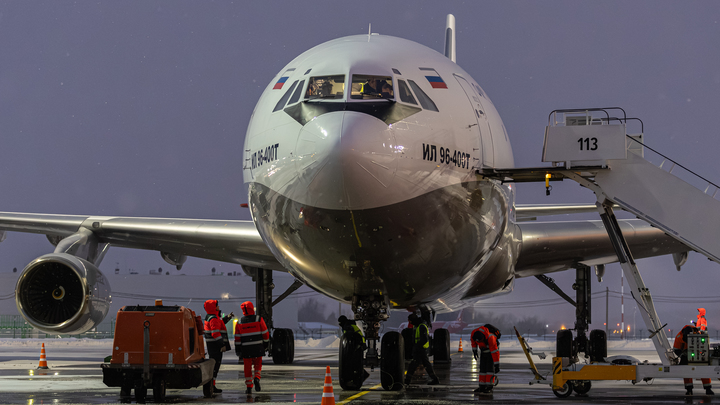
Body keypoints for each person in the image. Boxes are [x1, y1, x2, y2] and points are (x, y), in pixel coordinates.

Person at [235, 301, 270, 395]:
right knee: (258, 365)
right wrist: (266, 344)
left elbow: (237, 338)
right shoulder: (258, 319)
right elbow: (265, 333)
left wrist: (238, 349)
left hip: (246, 349)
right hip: (258, 347)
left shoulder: (239, 322)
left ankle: (249, 387)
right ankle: (257, 378)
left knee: (247, 367)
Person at [673, 324, 713, 396]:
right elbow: (676, 349)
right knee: (686, 370)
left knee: (703, 369)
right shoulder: (679, 337)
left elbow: (703, 345)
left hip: (698, 353)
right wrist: (683, 355)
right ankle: (689, 389)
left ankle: (708, 388)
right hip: (685, 355)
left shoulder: (698, 334)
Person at [203, 299, 233, 395]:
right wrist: (222, 345)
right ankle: (211, 386)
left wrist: (227, 318)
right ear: (213, 307)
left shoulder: (212, 317)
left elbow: (220, 324)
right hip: (215, 346)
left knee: (214, 366)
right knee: (215, 366)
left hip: (213, 346)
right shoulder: (213, 318)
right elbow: (215, 333)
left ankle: (212, 385)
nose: (218, 307)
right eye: (217, 305)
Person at [404, 313, 439, 386]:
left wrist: (417, 346)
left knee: (413, 365)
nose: (410, 323)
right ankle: (434, 379)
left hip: (421, 349)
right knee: (425, 365)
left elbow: (424, 339)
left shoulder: (421, 326)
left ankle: (407, 380)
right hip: (420, 349)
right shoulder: (417, 326)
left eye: (410, 321)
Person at [338, 315, 370, 384]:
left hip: (357, 345)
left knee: (353, 361)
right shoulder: (350, 324)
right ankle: (362, 374)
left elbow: (351, 336)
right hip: (360, 344)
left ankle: (361, 375)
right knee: (355, 361)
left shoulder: (347, 326)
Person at [470, 325, 500, 394]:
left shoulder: (491, 338)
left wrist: (496, 365)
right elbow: (473, 342)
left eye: (480, 341)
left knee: (489, 369)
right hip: (483, 351)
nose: (479, 342)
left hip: (491, 351)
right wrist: (474, 351)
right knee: (482, 369)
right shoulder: (473, 334)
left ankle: (489, 387)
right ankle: (482, 387)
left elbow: (495, 352)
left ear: (483, 338)